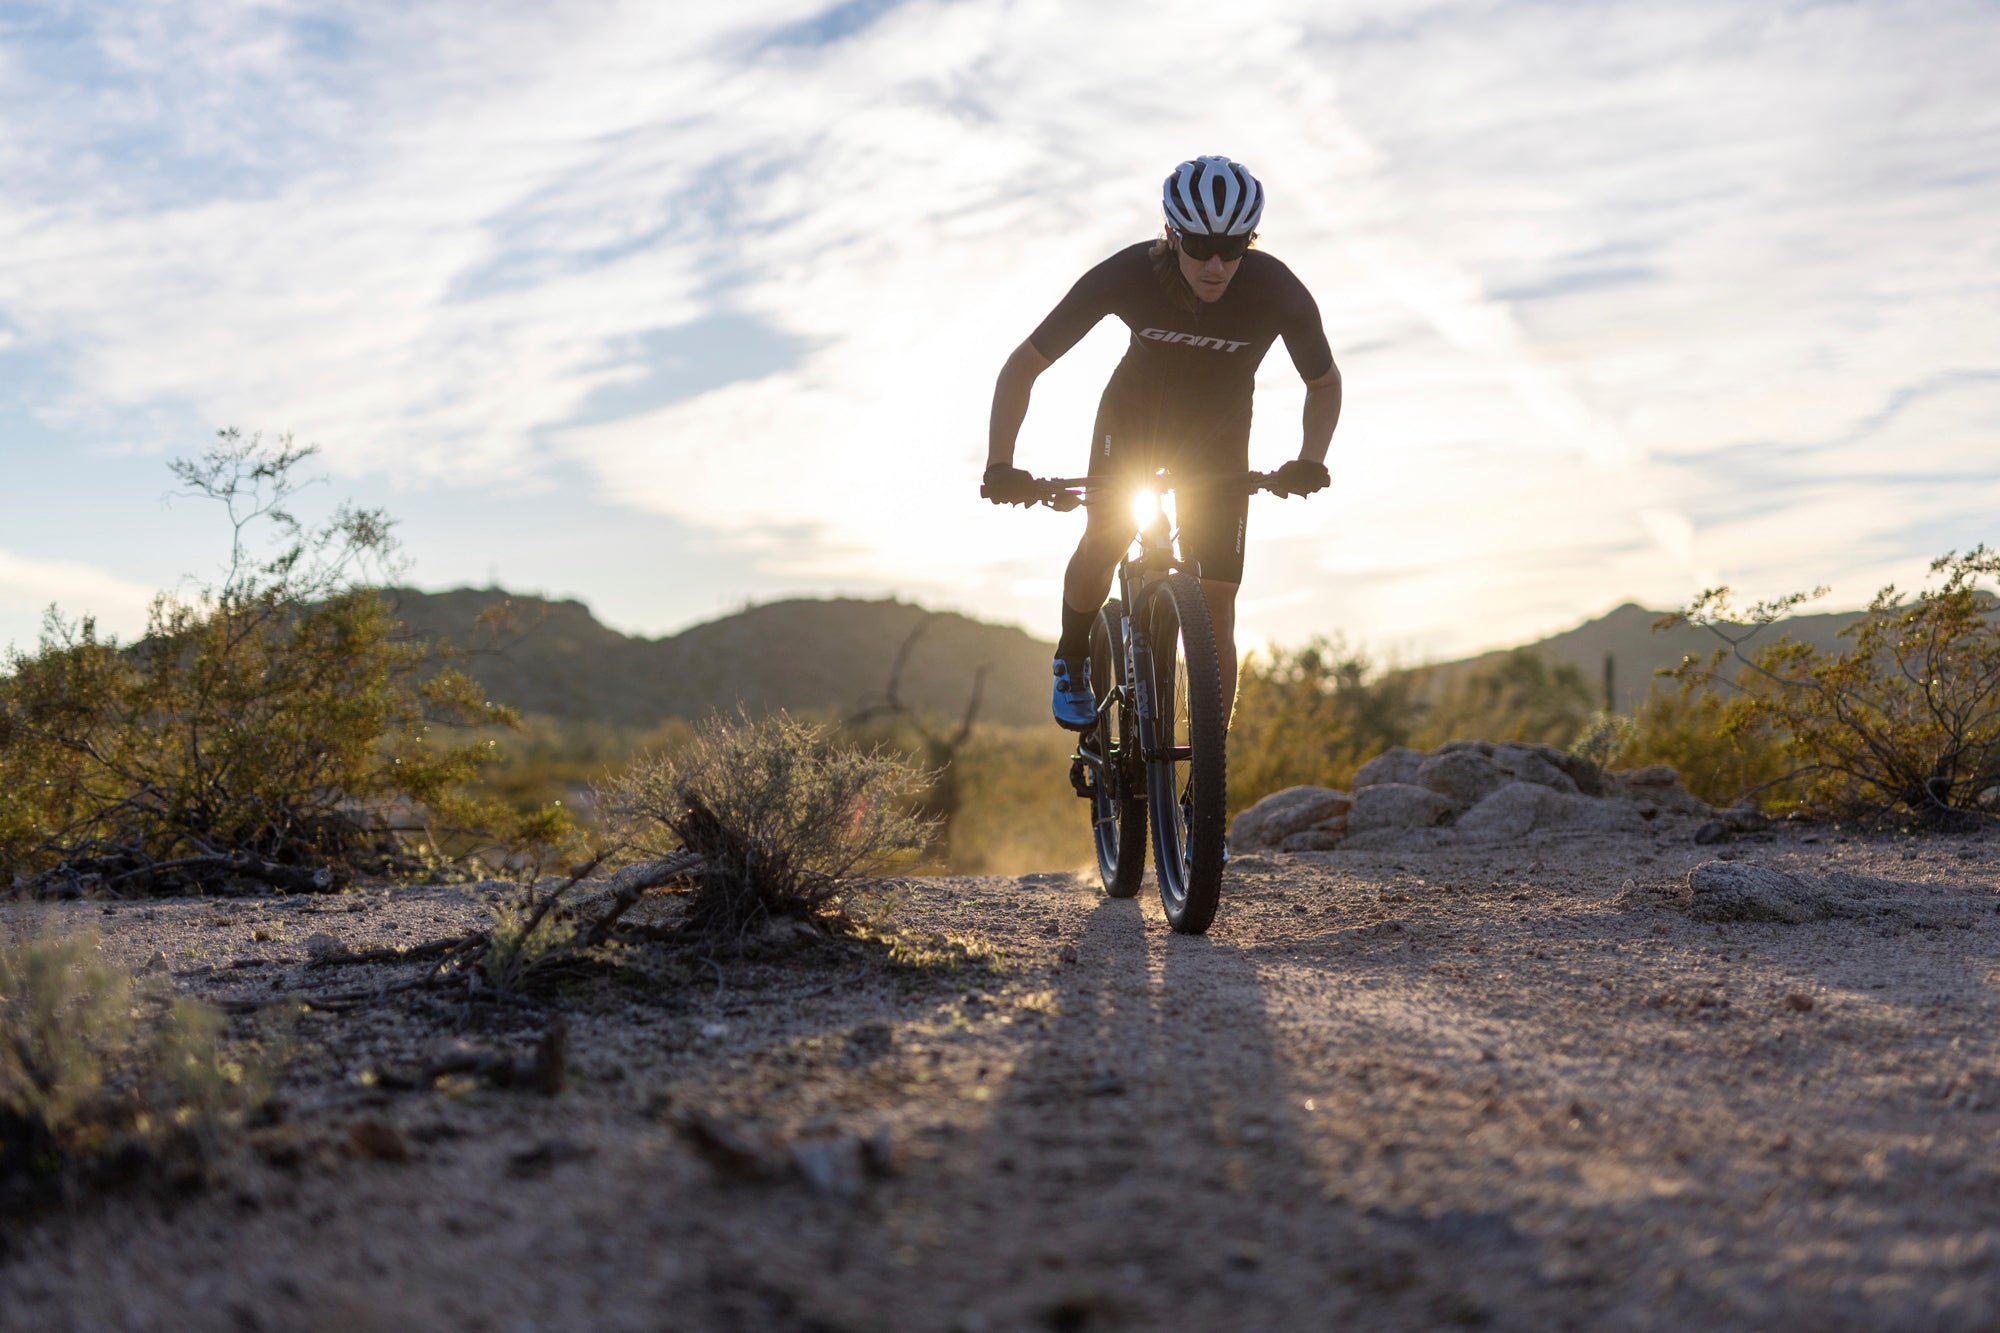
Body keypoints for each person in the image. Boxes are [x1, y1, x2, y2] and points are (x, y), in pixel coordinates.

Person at [982, 154, 1342, 729]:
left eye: (1234, 246)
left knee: (1219, 598)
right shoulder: (1129, 274)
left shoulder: (1277, 290)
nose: (1217, 264)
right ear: (1171, 233)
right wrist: (1001, 463)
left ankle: (1205, 780)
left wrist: (1310, 460)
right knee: (1106, 534)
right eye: (1200, 246)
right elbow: (1023, 365)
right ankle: (1072, 656)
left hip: (1219, 440)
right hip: (1133, 422)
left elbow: (1323, 383)